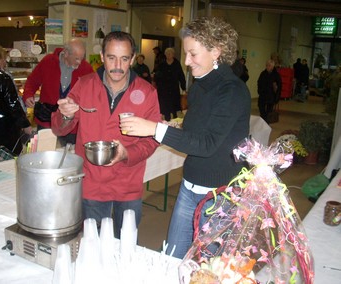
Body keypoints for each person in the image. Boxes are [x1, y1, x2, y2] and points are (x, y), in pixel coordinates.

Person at [120, 17, 251, 259]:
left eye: (193, 54)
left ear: (216, 52)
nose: (187, 61)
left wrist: (155, 129)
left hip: (218, 195)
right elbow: (194, 132)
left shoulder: (232, 91)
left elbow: (207, 144)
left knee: (207, 265)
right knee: (172, 257)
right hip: (189, 186)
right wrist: (169, 126)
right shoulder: (200, 87)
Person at [51, 31, 161, 238]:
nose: (117, 65)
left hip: (128, 183)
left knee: (125, 247)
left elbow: (153, 139)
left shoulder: (147, 92)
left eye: (124, 58)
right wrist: (65, 115)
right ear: (102, 57)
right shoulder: (84, 85)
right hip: (93, 183)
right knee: (93, 245)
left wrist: (127, 153)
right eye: (111, 58)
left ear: (133, 59)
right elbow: (59, 128)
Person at [23, 38, 93, 146]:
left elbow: (92, 93)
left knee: (69, 158)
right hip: (47, 121)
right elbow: (32, 81)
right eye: (76, 59)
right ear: (65, 53)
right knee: (46, 154)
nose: (79, 62)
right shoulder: (48, 61)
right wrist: (28, 95)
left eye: (82, 58)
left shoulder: (86, 68)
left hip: (72, 124)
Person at [154, 47, 186, 121]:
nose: (168, 55)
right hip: (164, 89)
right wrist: (158, 85)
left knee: (174, 106)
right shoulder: (162, 64)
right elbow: (157, 75)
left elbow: (181, 76)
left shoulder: (177, 64)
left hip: (173, 88)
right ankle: (166, 120)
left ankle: (174, 121)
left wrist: (183, 88)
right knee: (165, 107)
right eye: (167, 54)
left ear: (173, 55)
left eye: (170, 53)